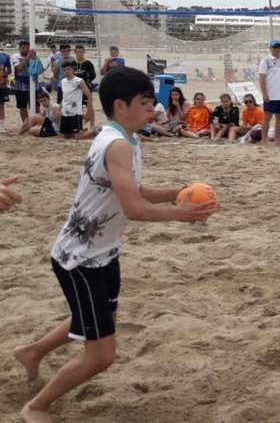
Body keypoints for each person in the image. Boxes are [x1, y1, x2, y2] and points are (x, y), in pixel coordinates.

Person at [12, 67, 214, 422]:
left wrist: (178, 192)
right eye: (145, 102)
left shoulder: (124, 138)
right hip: (79, 260)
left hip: (103, 252)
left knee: (100, 320)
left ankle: (32, 352)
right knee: (101, 356)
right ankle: (36, 407)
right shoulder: (116, 144)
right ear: (121, 105)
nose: (152, 108)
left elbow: (135, 190)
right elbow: (135, 209)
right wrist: (181, 214)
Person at [258, 39, 280, 146]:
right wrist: (264, 93)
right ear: (270, 48)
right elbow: (262, 78)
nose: (277, 49)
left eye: (279, 47)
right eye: (275, 47)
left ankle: (277, 140)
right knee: (267, 118)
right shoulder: (266, 60)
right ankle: (264, 140)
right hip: (271, 94)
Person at [58, 61, 96, 140]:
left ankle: (93, 130)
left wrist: (88, 111)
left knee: (77, 137)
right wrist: (59, 108)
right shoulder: (63, 81)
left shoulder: (79, 81)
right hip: (65, 112)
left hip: (76, 113)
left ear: (72, 69)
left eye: (68, 69)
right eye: (64, 70)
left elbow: (89, 96)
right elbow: (65, 96)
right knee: (62, 136)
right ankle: (83, 130)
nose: (67, 71)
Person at [10, 40, 36, 123]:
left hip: (33, 85)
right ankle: (26, 125)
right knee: (23, 107)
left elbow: (41, 70)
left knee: (36, 106)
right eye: (23, 47)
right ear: (19, 48)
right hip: (20, 86)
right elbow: (19, 67)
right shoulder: (15, 56)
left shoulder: (33, 57)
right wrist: (28, 56)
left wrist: (35, 58)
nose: (25, 49)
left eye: (27, 48)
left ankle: (36, 124)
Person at [0, 47, 11, 133]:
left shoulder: (5, 55)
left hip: (2, 84)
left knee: (1, 106)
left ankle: (1, 127)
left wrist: (4, 74)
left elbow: (9, 70)